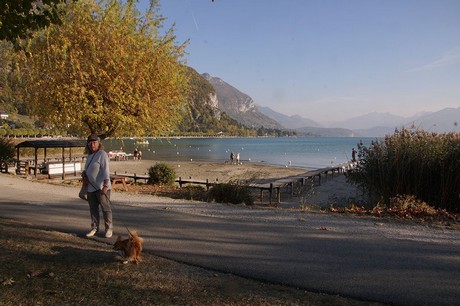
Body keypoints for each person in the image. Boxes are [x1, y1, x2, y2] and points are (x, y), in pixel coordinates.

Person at [83, 134, 113, 238]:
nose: (92, 145)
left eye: (94, 142)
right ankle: (94, 228)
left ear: (98, 143)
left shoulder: (102, 154)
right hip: (91, 188)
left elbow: (106, 170)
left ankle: (108, 228)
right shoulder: (89, 156)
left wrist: (105, 185)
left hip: (101, 188)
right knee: (93, 209)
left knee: (105, 208)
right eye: (90, 143)